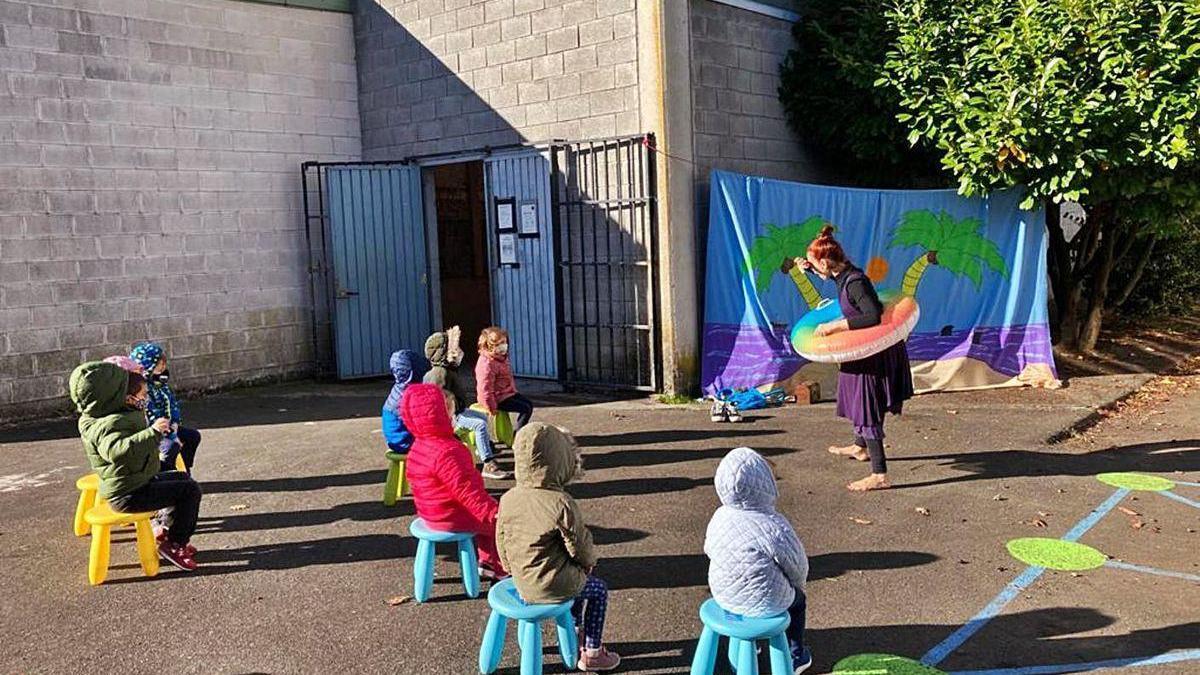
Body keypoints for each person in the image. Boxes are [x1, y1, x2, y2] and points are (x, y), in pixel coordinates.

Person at [496, 423, 621, 671]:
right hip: (552, 585)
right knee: (596, 589)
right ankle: (593, 651)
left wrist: (511, 569)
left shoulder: (509, 498)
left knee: (573, 575)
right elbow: (579, 546)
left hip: (522, 581)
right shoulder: (561, 502)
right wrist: (589, 563)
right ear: (560, 461)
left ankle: (574, 630)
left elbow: (501, 539)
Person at [798, 225, 914, 491]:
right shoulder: (843, 274)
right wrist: (810, 270)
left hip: (875, 355)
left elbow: (872, 315)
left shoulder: (856, 282)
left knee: (867, 407)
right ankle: (860, 447)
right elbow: (833, 280)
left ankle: (879, 475)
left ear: (827, 261)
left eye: (817, 264)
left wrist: (833, 327)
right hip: (863, 354)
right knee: (857, 399)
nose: (817, 269)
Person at [69, 361, 203, 571]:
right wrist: (152, 433)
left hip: (136, 480)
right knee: (190, 491)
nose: (144, 400)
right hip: (129, 494)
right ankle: (175, 544)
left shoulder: (103, 416)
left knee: (183, 479)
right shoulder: (108, 424)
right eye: (141, 396)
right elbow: (117, 451)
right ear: (117, 396)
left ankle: (165, 531)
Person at [704, 447, 811, 674]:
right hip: (766, 602)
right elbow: (798, 567)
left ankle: (747, 649)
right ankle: (796, 654)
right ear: (767, 488)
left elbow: (709, 549)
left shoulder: (719, 515)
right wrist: (797, 585)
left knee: (754, 592)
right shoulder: (774, 525)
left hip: (723, 593)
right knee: (798, 601)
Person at [402, 383, 507, 581]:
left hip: (430, 510)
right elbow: (468, 493)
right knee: (497, 524)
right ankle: (501, 569)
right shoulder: (449, 451)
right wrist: (494, 513)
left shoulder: (419, 444)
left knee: (486, 516)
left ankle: (486, 563)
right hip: (450, 515)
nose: (453, 419)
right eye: (449, 414)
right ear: (439, 417)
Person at [424, 326, 510, 480]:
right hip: (451, 418)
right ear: (443, 353)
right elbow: (440, 404)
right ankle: (488, 463)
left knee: (482, 417)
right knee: (479, 425)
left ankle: (483, 447)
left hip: (458, 411)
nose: (458, 352)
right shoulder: (440, 374)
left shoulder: (445, 370)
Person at [129, 342, 201, 474]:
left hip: (169, 426)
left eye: (164, 364)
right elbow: (152, 416)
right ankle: (163, 471)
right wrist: (172, 435)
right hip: (155, 430)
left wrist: (175, 423)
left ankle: (184, 467)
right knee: (170, 446)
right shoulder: (143, 389)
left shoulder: (160, 383)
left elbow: (171, 404)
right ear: (147, 367)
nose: (163, 368)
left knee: (193, 436)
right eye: (159, 365)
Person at [475, 326, 534, 432]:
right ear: (489, 346)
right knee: (525, 409)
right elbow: (485, 389)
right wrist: (491, 407)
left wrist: (513, 391)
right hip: (496, 398)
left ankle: (519, 432)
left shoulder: (502, 357)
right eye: (498, 344)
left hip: (507, 393)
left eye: (504, 342)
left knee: (529, 404)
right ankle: (518, 435)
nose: (503, 346)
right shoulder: (487, 364)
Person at [381, 349, 429, 454]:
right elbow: (421, 423)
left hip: (395, 438)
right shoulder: (409, 395)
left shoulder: (399, 388)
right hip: (403, 442)